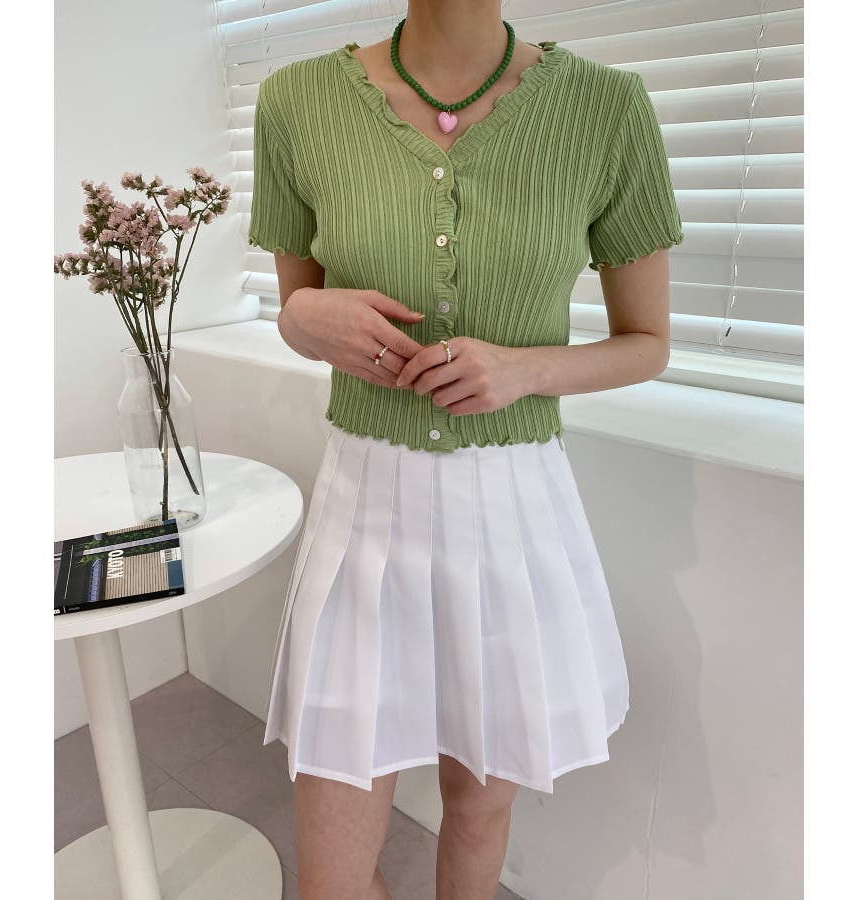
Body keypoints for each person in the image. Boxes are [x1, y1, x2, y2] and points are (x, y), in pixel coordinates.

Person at [248, 2, 683, 897]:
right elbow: (298, 307)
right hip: (364, 513)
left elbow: (647, 343)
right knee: (331, 871)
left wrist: (525, 370)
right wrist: (300, 316)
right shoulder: (296, 100)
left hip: (513, 517)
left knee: (479, 808)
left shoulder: (607, 109)